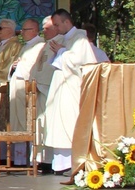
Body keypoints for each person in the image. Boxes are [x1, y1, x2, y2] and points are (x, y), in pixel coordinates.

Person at [45, 9, 96, 174]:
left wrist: (61, 51)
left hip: (71, 87)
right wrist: (58, 51)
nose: (57, 28)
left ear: (67, 22)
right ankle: (60, 163)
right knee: (58, 123)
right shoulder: (64, 39)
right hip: (61, 87)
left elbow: (79, 62)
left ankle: (73, 162)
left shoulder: (80, 39)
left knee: (68, 122)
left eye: (58, 24)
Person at [8, 19, 44, 165]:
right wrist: (14, 66)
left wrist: (20, 65)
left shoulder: (40, 46)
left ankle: (28, 159)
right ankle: (19, 160)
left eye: (25, 30)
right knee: (17, 121)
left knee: (24, 121)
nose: (22, 33)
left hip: (26, 89)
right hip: (18, 88)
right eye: (22, 30)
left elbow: (33, 67)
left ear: (35, 30)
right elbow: (18, 63)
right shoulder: (26, 46)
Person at [28, 16, 60, 171]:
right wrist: (33, 80)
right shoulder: (46, 45)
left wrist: (40, 82)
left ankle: (52, 160)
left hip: (50, 90)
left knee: (50, 124)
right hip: (41, 89)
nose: (43, 31)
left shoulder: (60, 42)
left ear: (56, 27)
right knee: (41, 125)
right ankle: (43, 159)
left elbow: (52, 68)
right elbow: (38, 66)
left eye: (46, 28)